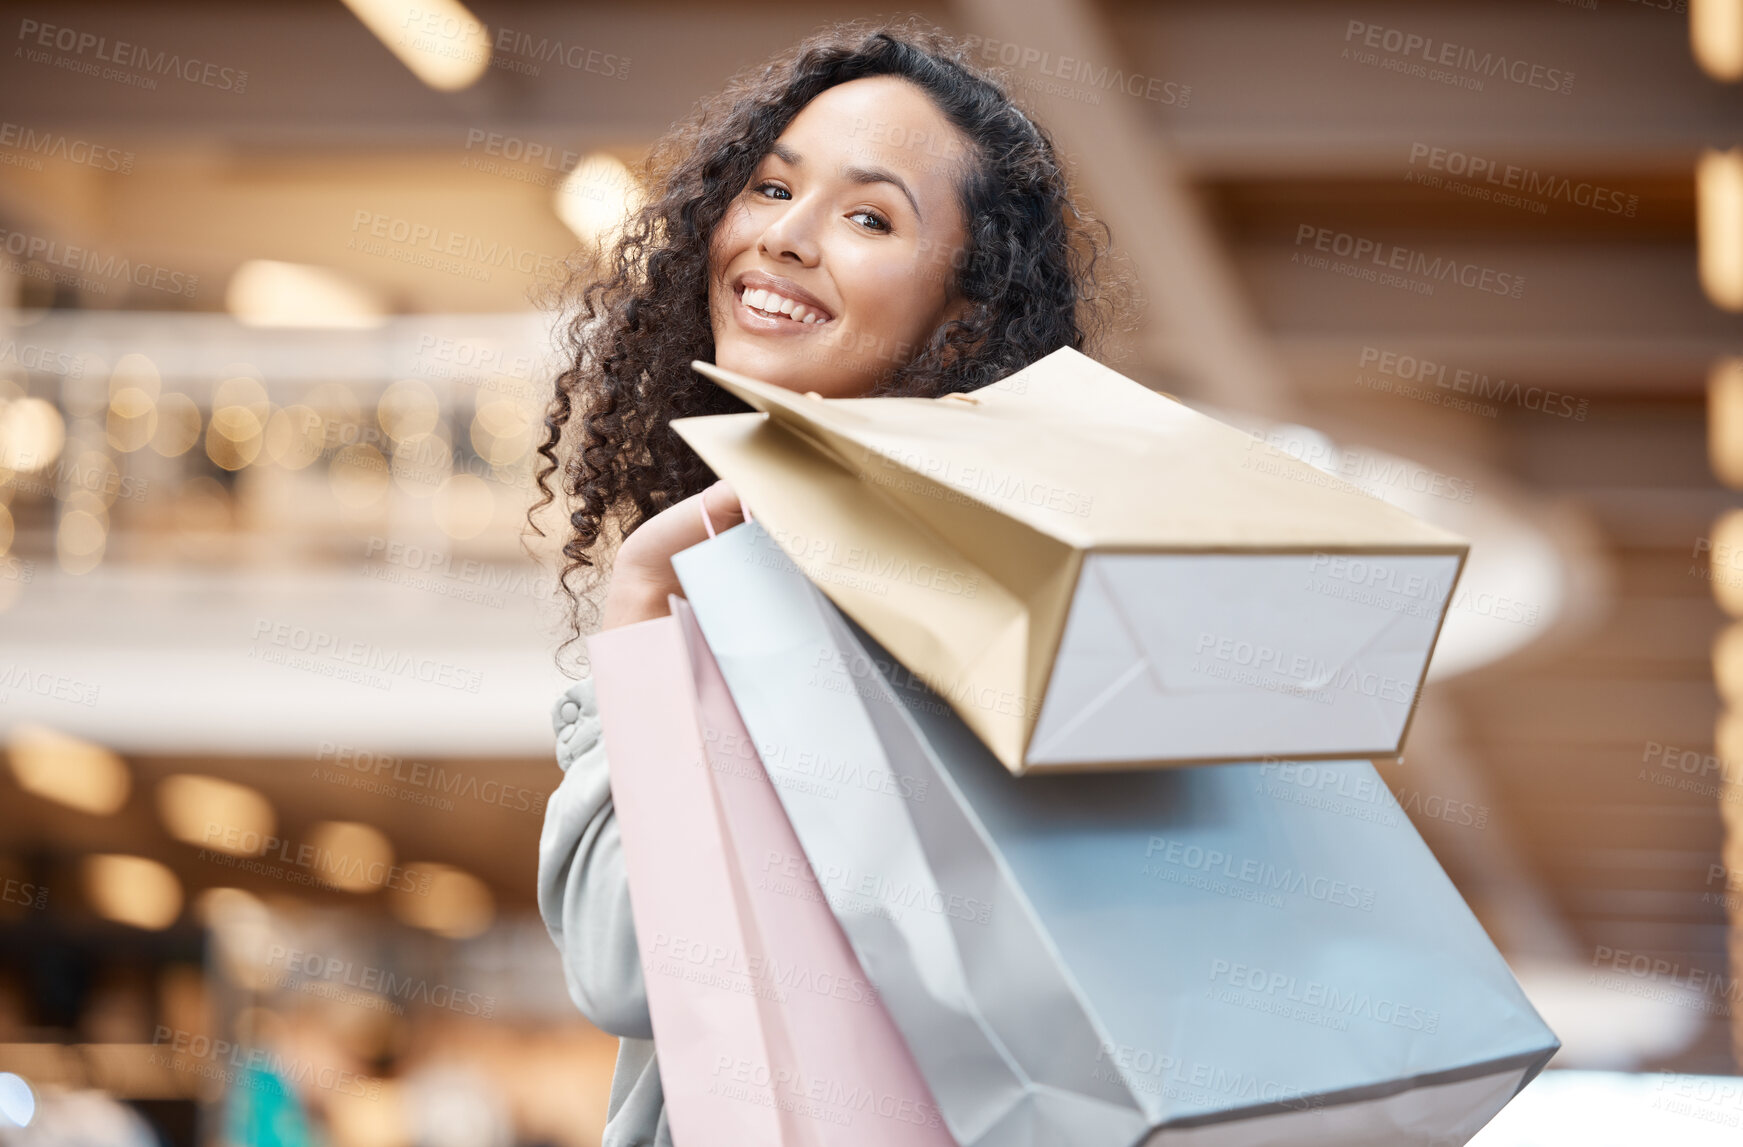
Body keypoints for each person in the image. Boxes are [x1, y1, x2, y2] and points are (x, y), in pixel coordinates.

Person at [530, 18, 1124, 1146]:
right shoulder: (831, 560)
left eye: (868, 216)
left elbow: (627, 963)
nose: (786, 238)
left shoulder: (882, 604)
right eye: (768, 188)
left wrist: (639, 615)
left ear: (962, 319)